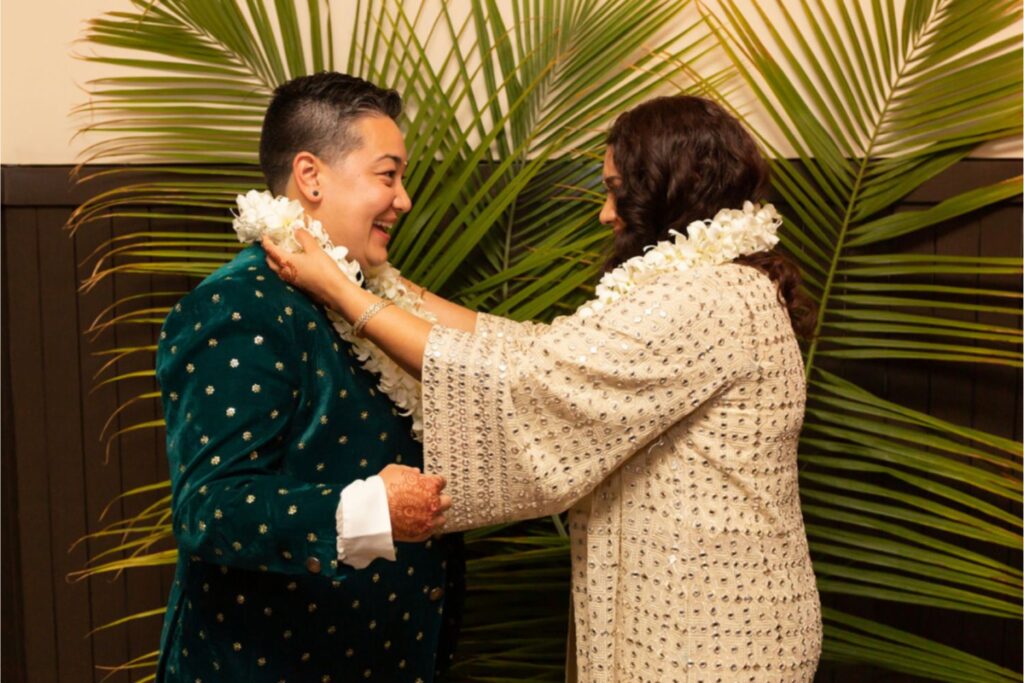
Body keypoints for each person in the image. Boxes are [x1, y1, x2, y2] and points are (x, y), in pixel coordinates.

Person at [265, 95, 823, 681]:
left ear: (667, 187)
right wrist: (388, 285)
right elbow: (543, 348)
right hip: (700, 607)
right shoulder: (721, 284)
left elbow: (535, 381)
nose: (607, 214)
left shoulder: (706, 298)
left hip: (713, 628)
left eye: (616, 190)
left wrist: (345, 294)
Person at [154, 72, 465, 682]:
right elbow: (210, 509)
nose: (403, 198)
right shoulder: (239, 306)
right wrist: (373, 508)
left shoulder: (370, 297)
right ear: (311, 176)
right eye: (387, 174)